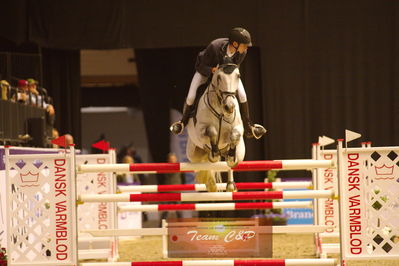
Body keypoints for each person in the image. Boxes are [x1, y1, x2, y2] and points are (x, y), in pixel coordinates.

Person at [170, 27, 266, 139]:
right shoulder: (215, 46)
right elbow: (201, 66)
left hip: (226, 77)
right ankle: (182, 122)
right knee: (191, 96)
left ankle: (249, 126)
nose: (246, 48)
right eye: (244, 45)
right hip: (205, 71)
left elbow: (234, 69)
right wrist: (212, 70)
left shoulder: (242, 52)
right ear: (235, 43)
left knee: (243, 95)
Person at [159, 152, 184, 225]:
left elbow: (183, 179)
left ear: (176, 159)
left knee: (179, 211)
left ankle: (182, 225)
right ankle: (160, 225)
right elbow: (161, 179)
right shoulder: (164, 167)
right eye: (171, 159)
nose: (172, 160)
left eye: (173, 159)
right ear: (168, 160)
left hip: (177, 191)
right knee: (165, 210)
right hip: (167, 191)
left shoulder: (180, 167)